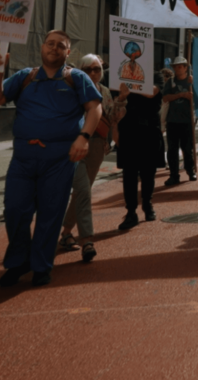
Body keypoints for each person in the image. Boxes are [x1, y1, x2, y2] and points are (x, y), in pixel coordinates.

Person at [0, 30, 102, 287]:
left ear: (67, 52)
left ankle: (41, 265)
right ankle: (19, 261)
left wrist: (83, 137)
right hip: (24, 157)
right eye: (50, 44)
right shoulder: (25, 76)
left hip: (59, 158)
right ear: (42, 47)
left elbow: (95, 108)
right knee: (15, 209)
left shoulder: (76, 77)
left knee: (50, 213)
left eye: (60, 46)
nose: (54, 48)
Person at [58, 54, 126, 262]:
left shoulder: (104, 91)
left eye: (97, 69)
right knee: (82, 190)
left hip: (97, 146)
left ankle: (66, 232)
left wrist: (121, 99)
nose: (94, 73)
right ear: (81, 71)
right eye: (89, 69)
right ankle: (84, 238)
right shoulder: (73, 89)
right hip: (76, 143)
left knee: (82, 191)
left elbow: (113, 116)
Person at [116, 82, 164, 230]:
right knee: (129, 173)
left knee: (148, 172)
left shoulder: (155, 76)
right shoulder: (119, 77)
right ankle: (131, 212)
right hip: (128, 131)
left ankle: (147, 204)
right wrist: (114, 130)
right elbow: (115, 105)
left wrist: (131, 84)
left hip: (150, 130)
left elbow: (151, 92)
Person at [162, 57, 198, 185]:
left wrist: (192, 90)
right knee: (172, 150)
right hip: (172, 121)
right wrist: (181, 95)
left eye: (180, 66)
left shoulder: (191, 82)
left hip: (187, 121)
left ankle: (190, 170)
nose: (177, 68)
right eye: (175, 66)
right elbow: (165, 98)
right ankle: (174, 175)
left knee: (188, 149)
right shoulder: (170, 82)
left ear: (185, 67)